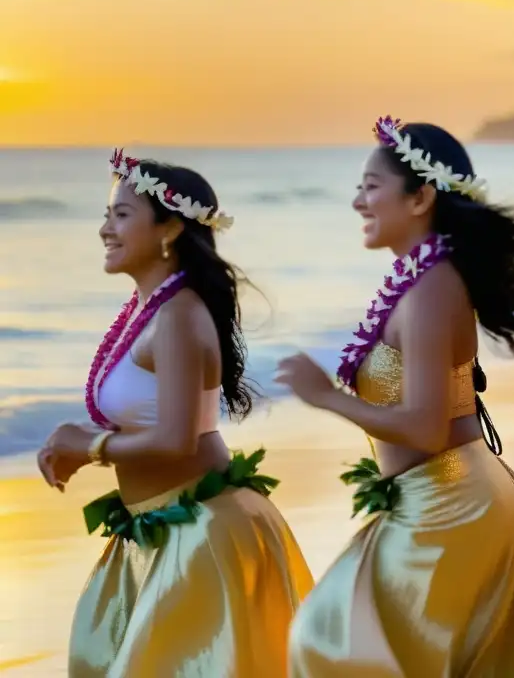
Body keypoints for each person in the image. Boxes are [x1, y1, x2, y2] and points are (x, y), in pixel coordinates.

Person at [274, 117, 514, 677]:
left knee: (331, 639)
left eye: (371, 186)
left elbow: (423, 428)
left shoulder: (430, 289)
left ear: (419, 196)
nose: (357, 201)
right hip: (436, 497)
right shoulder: (422, 281)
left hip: (451, 500)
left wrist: (325, 396)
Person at [38, 150, 313, 677]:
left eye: (120, 215)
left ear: (168, 230)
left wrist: (88, 447)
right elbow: (148, 419)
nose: (104, 229)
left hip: (203, 536)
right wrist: (75, 442)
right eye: (106, 214)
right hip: (156, 528)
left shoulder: (179, 317)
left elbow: (177, 440)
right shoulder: (150, 311)